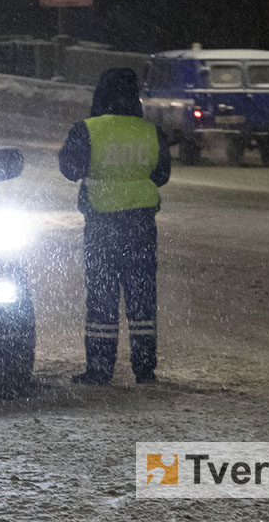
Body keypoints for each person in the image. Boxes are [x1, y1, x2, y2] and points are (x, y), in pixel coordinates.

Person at [59, 67, 170, 385]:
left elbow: (69, 168)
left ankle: (99, 368)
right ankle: (145, 369)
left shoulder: (88, 130)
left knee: (102, 297)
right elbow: (161, 175)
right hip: (141, 225)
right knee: (142, 297)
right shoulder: (150, 132)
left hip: (102, 224)